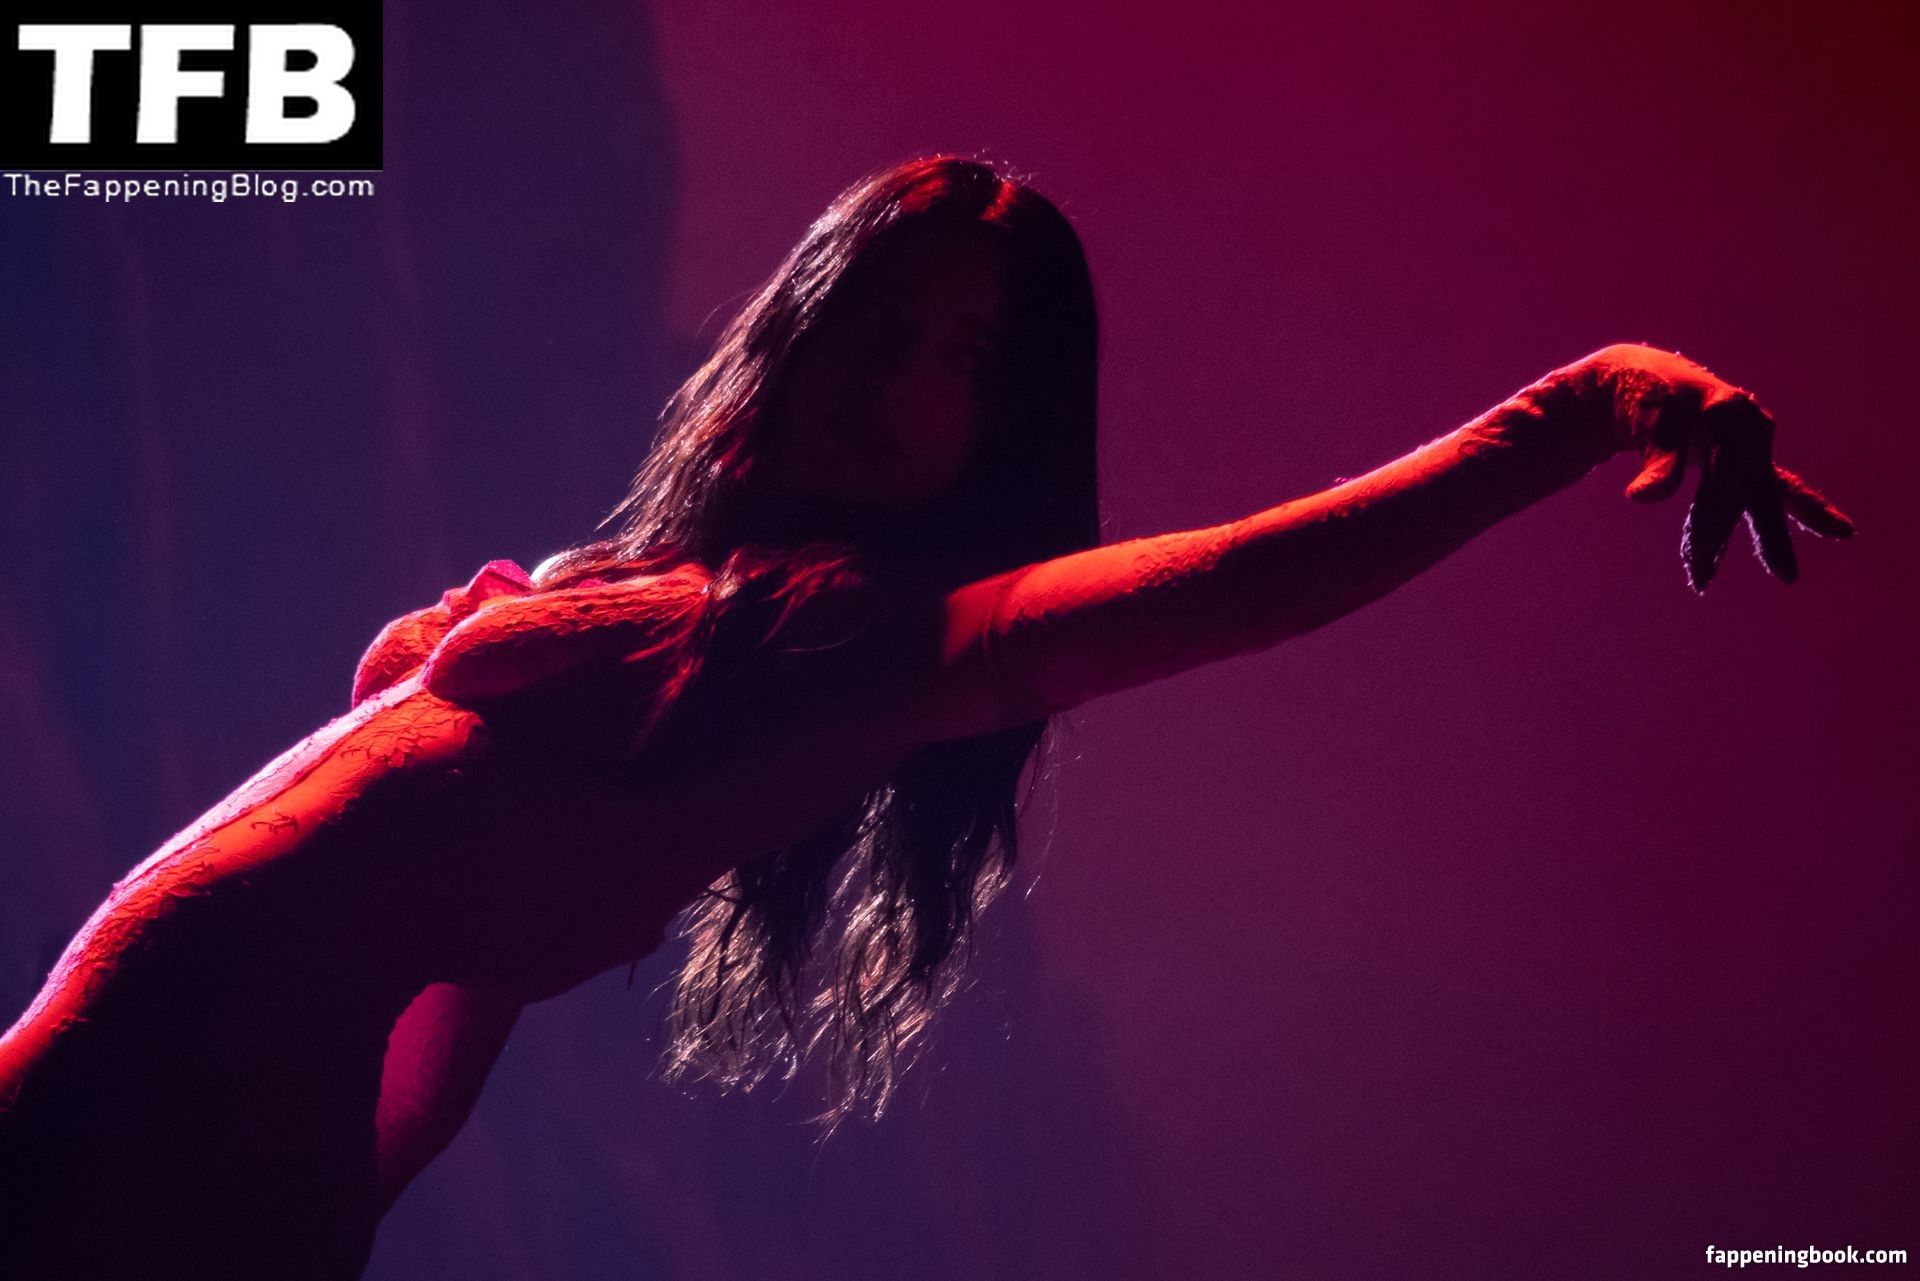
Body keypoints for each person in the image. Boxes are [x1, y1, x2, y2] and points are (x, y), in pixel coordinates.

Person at [0, 155, 1853, 1279]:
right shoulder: (689, 593)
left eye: (964, 356)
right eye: (876, 320)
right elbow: (433, 982)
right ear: (796, 329)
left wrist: (1581, 405)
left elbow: (1245, 582)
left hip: (148, 1175)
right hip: (131, 1152)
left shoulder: (871, 644)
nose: (896, 380)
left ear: (1003, 427)